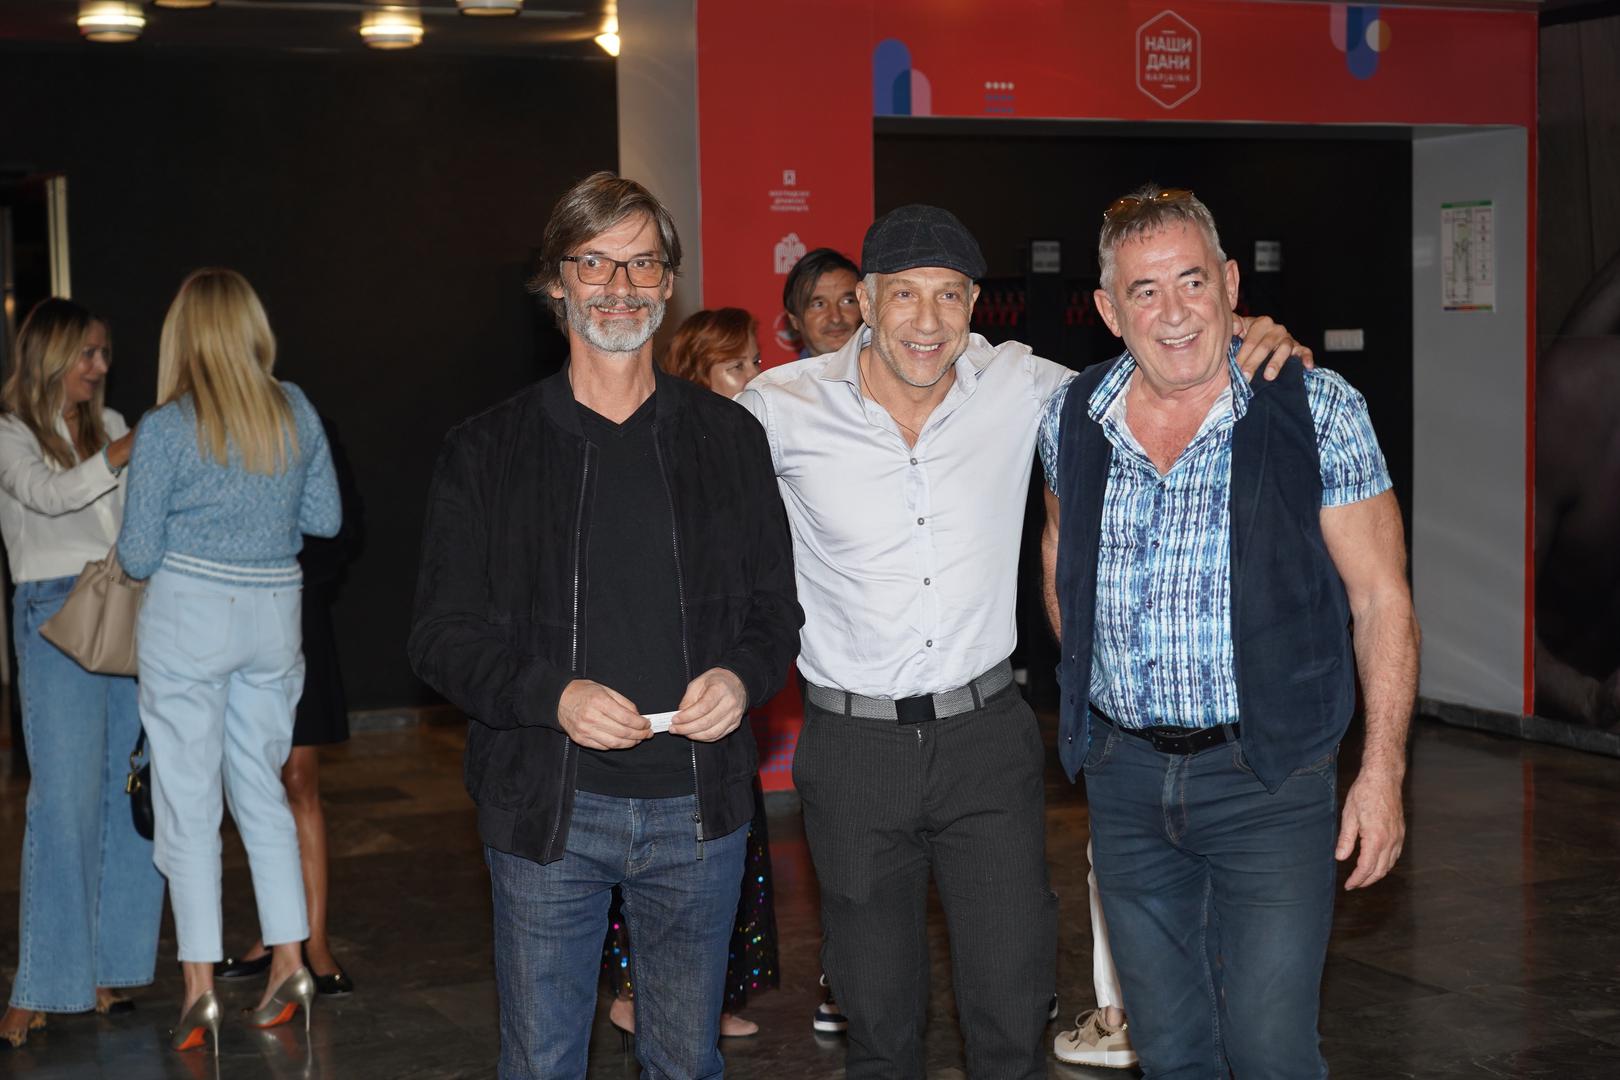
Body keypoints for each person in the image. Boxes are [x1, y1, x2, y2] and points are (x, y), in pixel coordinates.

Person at [737, 203, 1305, 1079]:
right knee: (877, 1023)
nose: (928, 321)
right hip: (851, 750)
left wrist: (1248, 335)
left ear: (974, 304)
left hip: (986, 741)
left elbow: (1160, 363)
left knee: (1011, 1012)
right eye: (905, 295)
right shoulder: (780, 408)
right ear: (867, 302)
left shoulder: (1026, 386)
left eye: (950, 296)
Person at [408, 172, 802, 1080]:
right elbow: (440, 634)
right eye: (594, 263)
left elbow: (774, 611)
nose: (619, 287)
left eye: (642, 264)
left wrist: (741, 677)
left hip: (697, 810)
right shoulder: (486, 450)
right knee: (542, 1063)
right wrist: (554, 695)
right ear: (557, 282)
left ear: (669, 283)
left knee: (685, 1063)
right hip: (548, 810)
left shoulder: (730, 440)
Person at [1039, 185, 1419, 1078]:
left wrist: (1383, 772)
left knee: (1269, 1048)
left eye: (1192, 281)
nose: (1174, 312)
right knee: (1171, 1051)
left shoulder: (1318, 409)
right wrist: (1100, 703)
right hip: (1127, 785)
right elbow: (1060, 559)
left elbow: (1382, 600)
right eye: (1144, 291)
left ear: (1231, 284)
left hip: (1268, 779)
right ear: (1108, 310)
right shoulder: (1070, 416)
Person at [118, 267, 341, 1054]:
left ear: (183, 336)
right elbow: (326, 517)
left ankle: (199, 988)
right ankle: (290, 963)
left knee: (187, 802)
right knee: (262, 791)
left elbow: (137, 555)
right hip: (275, 612)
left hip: (190, 615)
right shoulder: (296, 408)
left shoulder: (167, 426)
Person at [602, 307, 777, 1043]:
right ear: (701, 371)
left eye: (757, 360)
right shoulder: (668, 451)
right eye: (738, 365)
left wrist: (740, 672)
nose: (755, 375)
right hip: (646, 724)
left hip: (722, 713)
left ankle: (713, 998)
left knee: (733, 860)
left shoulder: (746, 439)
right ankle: (636, 995)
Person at [0, 298, 165, 1050]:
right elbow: (48, 496)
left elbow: (136, 522)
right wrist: (124, 452)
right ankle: (39, 984)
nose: (100, 367)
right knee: (62, 803)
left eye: (104, 353)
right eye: (87, 353)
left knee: (127, 796)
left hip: (122, 604)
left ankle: (105, 967)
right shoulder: (10, 431)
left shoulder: (112, 423)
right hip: (52, 615)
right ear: (50, 354)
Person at [215, 415, 363, 996]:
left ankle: (313, 941)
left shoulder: (304, 422)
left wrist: (284, 570)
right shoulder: (209, 429)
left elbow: (342, 529)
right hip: (226, 618)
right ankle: (278, 936)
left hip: (296, 616)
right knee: (251, 783)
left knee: (298, 778)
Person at [783, 247, 862, 358]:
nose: (836, 318)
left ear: (865, 306)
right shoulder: (784, 371)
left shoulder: (886, 368)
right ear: (794, 320)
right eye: (819, 304)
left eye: (847, 301)